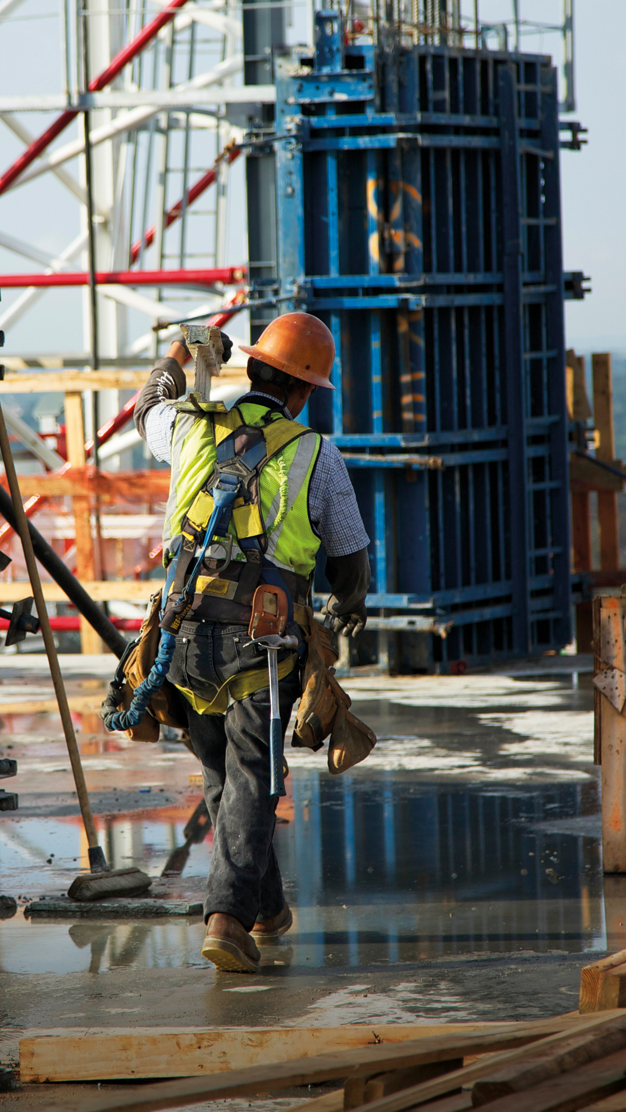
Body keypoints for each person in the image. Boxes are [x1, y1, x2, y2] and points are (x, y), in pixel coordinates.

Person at [130, 312, 370, 973]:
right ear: (303, 391)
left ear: (253, 368)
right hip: (259, 646)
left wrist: (181, 354)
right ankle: (227, 919)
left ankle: (264, 909)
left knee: (225, 773)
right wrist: (348, 609)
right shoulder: (316, 453)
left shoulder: (189, 427)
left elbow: (147, 405)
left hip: (179, 637)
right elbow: (350, 560)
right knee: (255, 778)